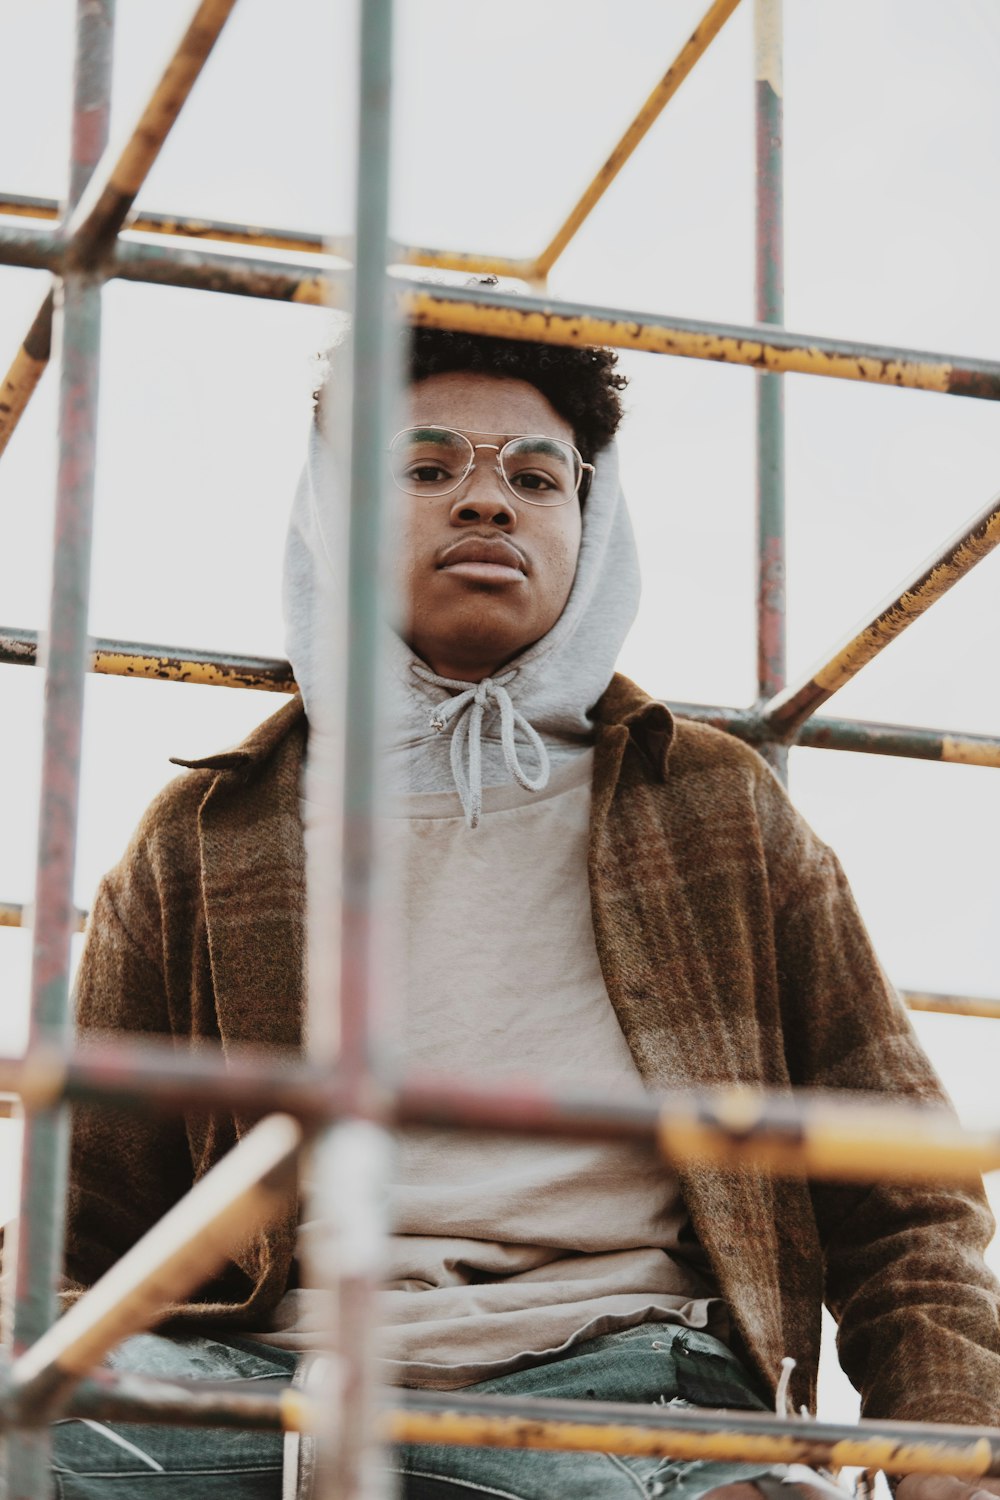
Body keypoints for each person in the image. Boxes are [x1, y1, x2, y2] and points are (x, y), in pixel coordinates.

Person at [54, 324, 1000, 1500]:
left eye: (535, 477)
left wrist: (948, 1447)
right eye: (427, 467)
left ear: (589, 527)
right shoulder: (205, 831)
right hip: (258, 1395)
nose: (488, 503)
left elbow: (901, 1186)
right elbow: (76, 1231)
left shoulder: (710, 805)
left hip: (621, 1381)